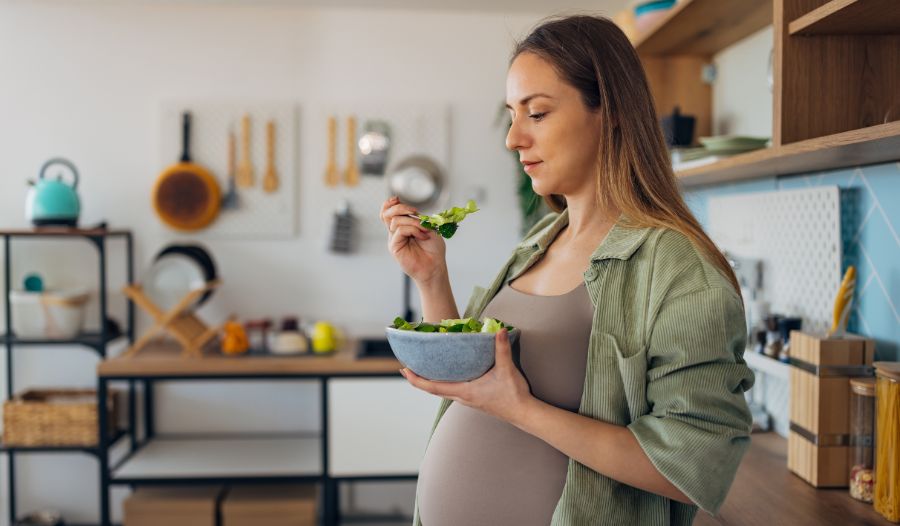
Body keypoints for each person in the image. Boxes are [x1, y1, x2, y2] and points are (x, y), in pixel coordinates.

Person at [379, 14, 754, 526]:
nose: (513, 138)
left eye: (536, 113)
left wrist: (521, 409)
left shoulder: (677, 267)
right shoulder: (537, 244)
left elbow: (693, 467)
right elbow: (472, 381)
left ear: (611, 111)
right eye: (512, 114)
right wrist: (430, 278)